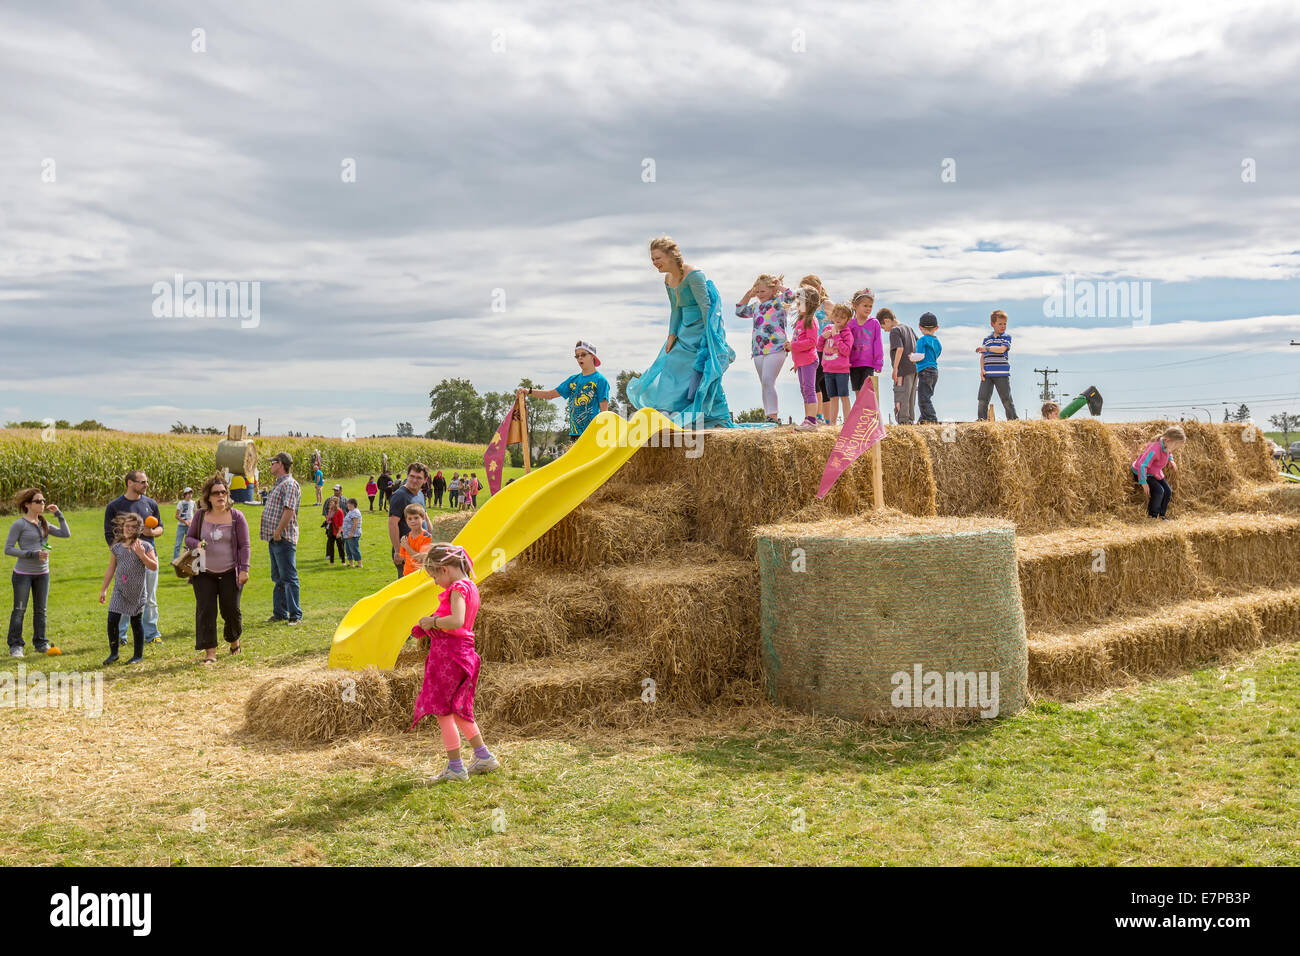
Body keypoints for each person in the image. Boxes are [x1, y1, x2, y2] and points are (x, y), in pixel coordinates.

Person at [410, 544, 498, 783]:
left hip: (449, 657)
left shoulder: (457, 588)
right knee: (458, 710)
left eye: (435, 576)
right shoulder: (471, 585)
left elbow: (457, 620)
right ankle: (483, 756)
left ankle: (456, 768)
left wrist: (432, 622)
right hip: (463, 654)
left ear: (445, 569)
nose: (436, 582)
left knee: (443, 711)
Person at [627, 236, 735, 428]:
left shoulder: (694, 275)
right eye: (652, 259)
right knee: (669, 367)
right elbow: (675, 309)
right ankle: (667, 414)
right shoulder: (668, 279)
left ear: (671, 256)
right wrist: (671, 335)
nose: (654, 263)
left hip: (701, 333)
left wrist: (709, 341)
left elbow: (707, 309)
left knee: (702, 373)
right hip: (683, 332)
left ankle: (714, 418)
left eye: (657, 258)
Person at [185, 473, 250, 664]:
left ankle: (234, 643)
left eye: (223, 492)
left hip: (231, 571)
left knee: (231, 609)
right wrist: (196, 544)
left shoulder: (237, 517)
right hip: (204, 572)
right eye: (216, 493)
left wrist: (244, 569)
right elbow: (188, 538)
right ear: (208, 497)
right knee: (206, 610)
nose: (221, 496)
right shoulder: (200, 516)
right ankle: (210, 654)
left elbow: (244, 546)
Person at [6, 488, 69, 658]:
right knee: (19, 609)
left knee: (41, 610)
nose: (43, 504)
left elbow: (65, 533)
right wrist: (32, 554)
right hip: (23, 574)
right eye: (38, 501)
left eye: (43, 500)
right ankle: (15, 645)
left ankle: (40, 643)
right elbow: (8, 549)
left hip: (43, 573)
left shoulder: (44, 523)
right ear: (27, 505)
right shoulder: (19, 525)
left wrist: (59, 515)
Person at [104, 471, 164, 645]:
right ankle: (121, 637)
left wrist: (151, 532)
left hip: (148, 557)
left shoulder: (150, 503)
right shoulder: (114, 506)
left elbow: (160, 528)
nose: (146, 485)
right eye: (142, 482)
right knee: (124, 597)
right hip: (126, 560)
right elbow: (109, 534)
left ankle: (152, 634)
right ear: (130, 483)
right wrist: (121, 553)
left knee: (150, 597)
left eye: (147, 481)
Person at [518, 341, 610, 443]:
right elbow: (550, 395)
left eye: (583, 355)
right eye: (577, 356)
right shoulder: (573, 380)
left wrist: (604, 439)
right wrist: (528, 391)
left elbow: (604, 413)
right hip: (575, 434)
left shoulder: (601, 380)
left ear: (592, 356)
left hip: (593, 434)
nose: (580, 358)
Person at [99, 513, 158, 666]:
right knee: (112, 619)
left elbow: (153, 566)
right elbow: (110, 570)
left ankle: (137, 655)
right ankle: (114, 653)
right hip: (119, 590)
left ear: (139, 529)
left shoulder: (145, 546)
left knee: (136, 623)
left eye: (133, 527)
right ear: (122, 527)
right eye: (127, 526)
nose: (129, 529)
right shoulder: (117, 548)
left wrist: (142, 555)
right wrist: (104, 590)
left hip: (137, 592)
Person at [737, 274, 795, 424]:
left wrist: (779, 287)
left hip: (776, 347)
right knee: (764, 383)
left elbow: (792, 296)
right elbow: (739, 311)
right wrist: (748, 295)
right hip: (758, 349)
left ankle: (774, 417)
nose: (759, 294)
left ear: (772, 289)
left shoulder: (779, 302)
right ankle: (768, 416)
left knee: (768, 380)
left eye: (763, 291)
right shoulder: (756, 306)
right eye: (758, 291)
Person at [259, 452, 302, 625]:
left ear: (281, 464)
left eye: (273, 462)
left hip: (282, 537)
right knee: (278, 577)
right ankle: (280, 612)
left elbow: (289, 510)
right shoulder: (279, 484)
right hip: (275, 538)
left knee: (289, 577)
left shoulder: (289, 484)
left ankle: (295, 615)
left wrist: (278, 531)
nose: (270, 465)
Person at [786, 286, 823, 429]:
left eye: (800, 302)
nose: (797, 305)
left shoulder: (811, 321)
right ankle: (808, 418)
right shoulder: (801, 321)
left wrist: (793, 347)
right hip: (802, 362)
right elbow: (798, 340)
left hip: (809, 360)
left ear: (809, 303)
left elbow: (812, 342)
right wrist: (795, 361)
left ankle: (812, 420)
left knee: (809, 389)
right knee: (804, 390)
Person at [1132, 426, 1185, 520]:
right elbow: (1142, 465)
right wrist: (1143, 482)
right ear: (1168, 440)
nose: (1175, 448)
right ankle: (1152, 516)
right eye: (1175, 445)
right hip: (1142, 472)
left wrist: (1171, 460)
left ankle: (1161, 515)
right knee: (1159, 491)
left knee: (1168, 491)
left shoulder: (1165, 444)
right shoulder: (1155, 449)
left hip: (1154, 472)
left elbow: (1169, 452)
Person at [388, 463, 430, 579]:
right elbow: (392, 524)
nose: (414, 480)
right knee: (407, 586)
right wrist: (397, 551)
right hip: (406, 551)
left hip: (421, 549)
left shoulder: (420, 494)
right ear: (407, 476)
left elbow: (425, 516)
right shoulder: (399, 496)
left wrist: (433, 538)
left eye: (418, 478)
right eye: (412, 476)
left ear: (425, 480)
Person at [975, 309, 1018, 421]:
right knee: (982, 399)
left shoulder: (1006, 337)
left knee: (1006, 399)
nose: (1003, 326)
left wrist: (987, 348)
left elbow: (1001, 349)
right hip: (988, 374)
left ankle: (1013, 420)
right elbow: (983, 356)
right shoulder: (987, 340)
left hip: (1001, 373)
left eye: (1005, 324)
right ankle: (981, 420)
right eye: (1000, 324)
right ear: (992, 324)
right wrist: (982, 369)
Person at [879, 309, 917, 425]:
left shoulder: (895, 330)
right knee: (910, 395)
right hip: (914, 369)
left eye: (883, 327)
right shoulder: (908, 328)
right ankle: (909, 420)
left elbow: (899, 349)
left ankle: (903, 421)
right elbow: (918, 343)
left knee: (901, 394)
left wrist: (895, 369)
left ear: (887, 320)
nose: (885, 330)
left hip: (903, 369)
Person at [819, 303, 855, 426]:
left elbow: (846, 351)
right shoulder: (826, 329)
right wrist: (822, 338)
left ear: (848, 320)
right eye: (837, 315)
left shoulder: (847, 333)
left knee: (844, 396)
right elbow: (819, 347)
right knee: (832, 397)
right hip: (828, 370)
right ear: (832, 316)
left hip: (842, 371)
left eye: (842, 317)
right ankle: (832, 424)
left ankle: (847, 422)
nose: (839, 319)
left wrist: (836, 337)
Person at [848, 289, 884, 395]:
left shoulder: (874, 323)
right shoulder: (850, 324)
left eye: (870, 306)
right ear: (855, 306)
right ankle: (860, 412)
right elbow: (847, 344)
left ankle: (869, 411)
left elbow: (878, 343)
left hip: (868, 364)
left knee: (867, 393)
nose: (868, 308)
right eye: (865, 306)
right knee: (858, 393)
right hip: (853, 364)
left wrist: (878, 363)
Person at [911, 312, 942, 424]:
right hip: (934, 371)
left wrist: (911, 357)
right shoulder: (937, 341)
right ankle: (922, 421)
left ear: (920, 327)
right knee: (926, 396)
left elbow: (920, 356)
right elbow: (938, 354)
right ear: (936, 327)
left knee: (923, 399)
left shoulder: (922, 340)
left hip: (925, 371)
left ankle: (932, 419)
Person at [399, 504, 433, 575]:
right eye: (410, 519)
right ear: (406, 521)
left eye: (416, 518)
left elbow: (422, 559)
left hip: (420, 575)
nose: (413, 521)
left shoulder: (427, 537)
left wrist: (407, 547)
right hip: (407, 574)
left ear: (423, 518)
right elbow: (403, 558)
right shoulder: (405, 538)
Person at [173, 487, 197, 560]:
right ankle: (175, 560)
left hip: (190, 527)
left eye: (191, 493)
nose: (190, 495)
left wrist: (192, 522)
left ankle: (188, 559)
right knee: (178, 544)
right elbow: (176, 516)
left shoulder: (193, 503)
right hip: (181, 526)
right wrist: (185, 522)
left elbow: (196, 514)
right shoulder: (181, 503)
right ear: (185, 494)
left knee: (190, 543)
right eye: (188, 493)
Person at [322, 496, 346, 565]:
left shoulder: (339, 511)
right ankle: (331, 562)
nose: (330, 503)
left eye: (331, 502)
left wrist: (339, 533)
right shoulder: (330, 510)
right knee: (331, 546)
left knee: (340, 547)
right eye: (330, 502)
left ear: (335, 503)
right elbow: (328, 519)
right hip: (331, 530)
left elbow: (341, 523)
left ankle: (343, 561)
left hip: (338, 531)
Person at [341, 497, 364, 568]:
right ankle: (351, 563)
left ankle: (360, 564)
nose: (347, 506)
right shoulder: (350, 511)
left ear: (353, 504)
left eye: (348, 504)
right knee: (348, 549)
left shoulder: (356, 512)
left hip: (353, 535)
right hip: (347, 535)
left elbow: (355, 523)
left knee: (354, 549)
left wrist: (351, 533)